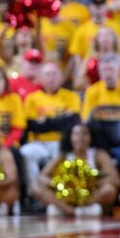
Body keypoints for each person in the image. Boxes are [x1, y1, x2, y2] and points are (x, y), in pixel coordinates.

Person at [32, 123, 120, 217]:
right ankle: (71, 211)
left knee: (109, 189)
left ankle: (83, 209)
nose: (80, 138)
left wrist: (89, 182)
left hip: (90, 197)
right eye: (76, 134)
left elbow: (115, 179)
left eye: (84, 134)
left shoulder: (98, 154)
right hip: (67, 197)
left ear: (91, 137)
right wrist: (59, 184)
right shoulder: (64, 156)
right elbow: (41, 176)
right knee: (36, 186)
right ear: (70, 137)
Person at [20, 61, 81, 198]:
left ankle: (60, 194)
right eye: (47, 74)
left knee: (66, 155)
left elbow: (73, 122)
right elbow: (32, 125)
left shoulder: (71, 96)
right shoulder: (32, 98)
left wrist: (46, 121)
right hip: (38, 142)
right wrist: (60, 119)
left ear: (61, 77)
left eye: (55, 74)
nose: (51, 78)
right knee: (26, 153)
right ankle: (34, 194)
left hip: (62, 142)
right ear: (41, 78)